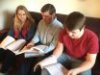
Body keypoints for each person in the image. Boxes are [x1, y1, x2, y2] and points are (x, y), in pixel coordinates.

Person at [18, 3, 63, 75]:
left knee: (38, 62)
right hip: (39, 46)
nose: (43, 18)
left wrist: (42, 51)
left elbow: (53, 45)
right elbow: (37, 36)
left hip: (49, 50)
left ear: (53, 14)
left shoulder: (59, 27)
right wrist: (31, 43)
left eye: (46, 16)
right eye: (42, 15)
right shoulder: (41, 22)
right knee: (25, 55)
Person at [0, 5, 36, 73]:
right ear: (17, 15)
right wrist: (9, 39)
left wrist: (17, 38)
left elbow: (29, 37)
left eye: (23, 14)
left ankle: (3, 71)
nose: (22, 16)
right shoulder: (15, 21)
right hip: (14, 40)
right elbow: (10, 33)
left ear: (27, 14)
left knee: (9, 53)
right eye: (19, 14)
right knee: (1, 49)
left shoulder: (31, 23)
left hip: (23, 41)